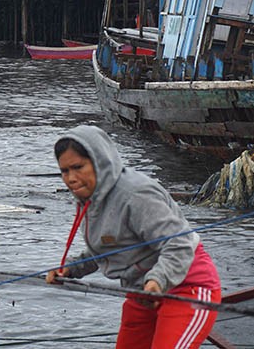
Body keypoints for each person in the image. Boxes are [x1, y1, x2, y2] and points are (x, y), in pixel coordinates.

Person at [46, 125, 221, 349]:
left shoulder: (135, 194)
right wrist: (70, 269)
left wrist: (158, 280)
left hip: (188, 288)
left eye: (78, 167)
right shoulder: (91, 199)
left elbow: (179, 242)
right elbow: (109, 247)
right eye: (64, 171)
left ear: (99, 162)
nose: (71, 178)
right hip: (143, 293)